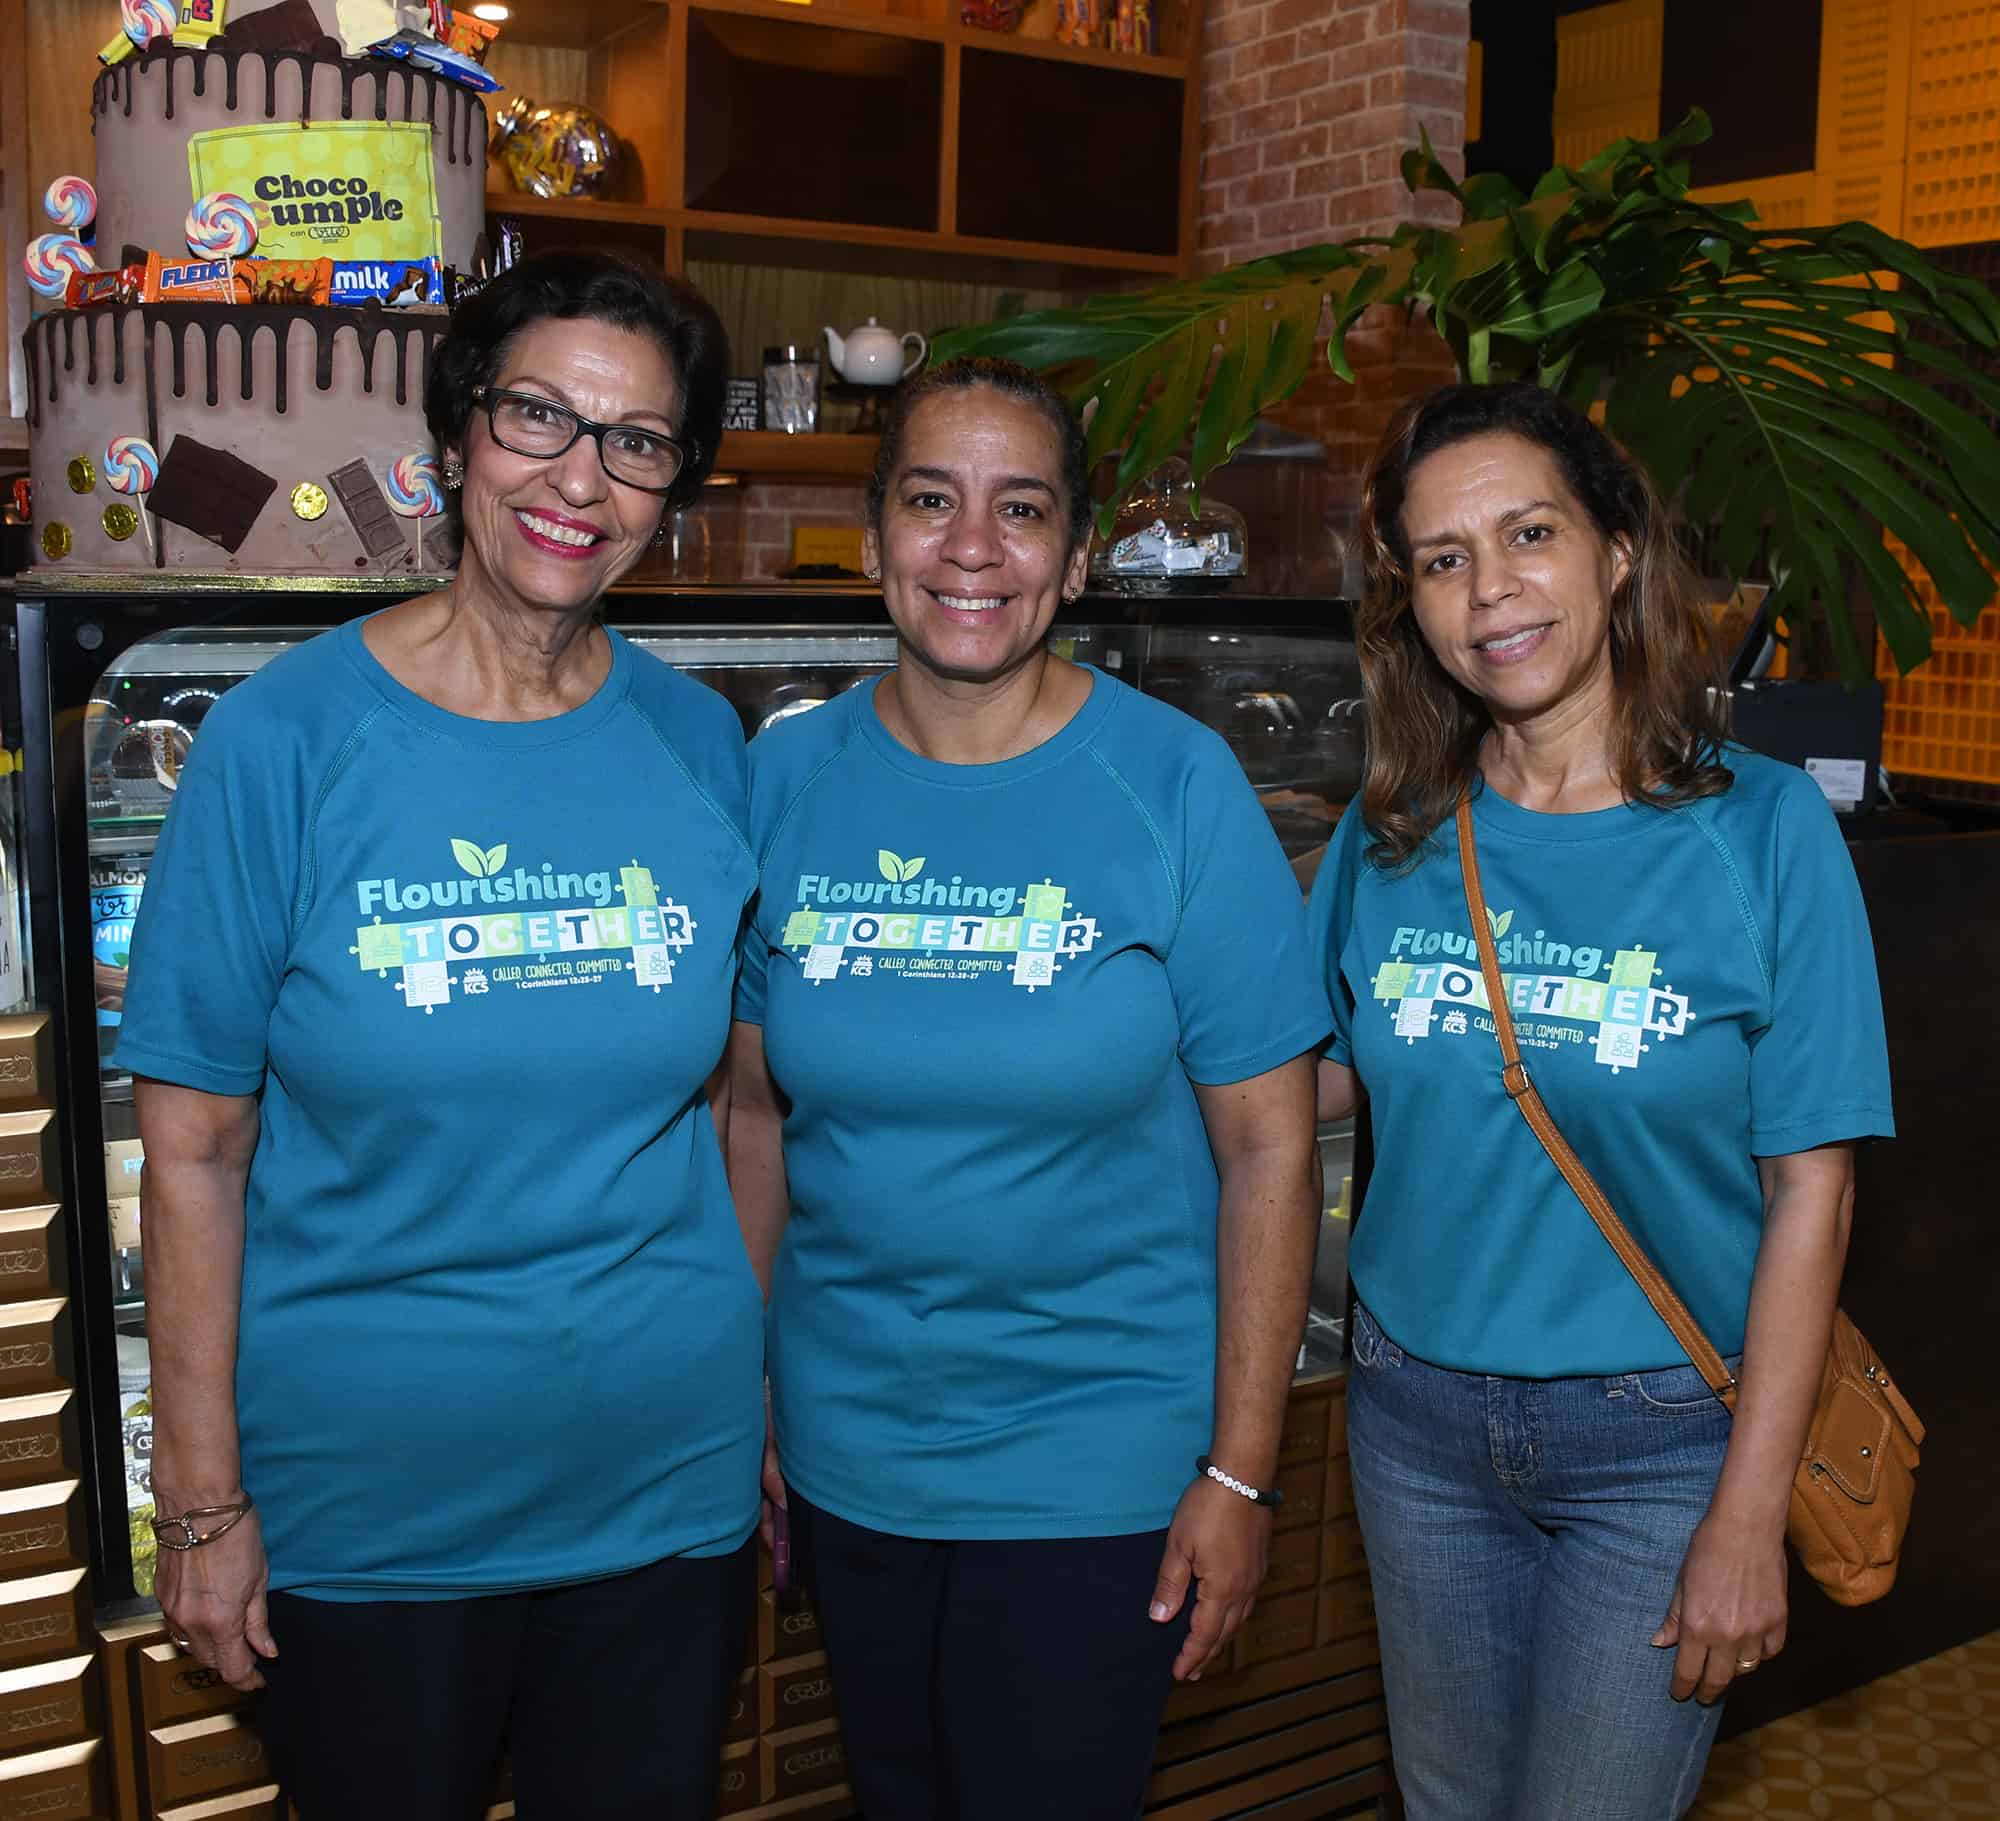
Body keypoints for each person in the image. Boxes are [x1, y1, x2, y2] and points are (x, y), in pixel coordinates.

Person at [117, 251, 764, 1821]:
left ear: (673, 486)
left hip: (663, 1500)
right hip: (370, 1512)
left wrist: (750, 1396)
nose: (580, 477)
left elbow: (747, 1103)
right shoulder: (285, 739)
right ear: (458, 437)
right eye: (539, 416)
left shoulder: (697, 739)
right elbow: (194, 1146)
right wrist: (201, 1507)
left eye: (638, 440)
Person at [726, 356, 1331, 1820]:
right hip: (849, 1449)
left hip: (1097, 1461)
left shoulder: (1173, 784)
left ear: (1072, 554)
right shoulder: (786, 780)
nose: (972, 548)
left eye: (1021, 509)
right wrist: (742, 1393)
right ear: (874, 540)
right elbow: (751, 1113)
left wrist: (1243, 1472)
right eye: (932, 502)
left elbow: (1270, 1151)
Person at [1307, 380, 1895, 1819]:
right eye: (1443, 558)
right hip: (1414, 1424)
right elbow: (1288, 1097)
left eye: (1528, 534)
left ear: (1617, 548)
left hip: (1661, 1443)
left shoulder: (1761, 831)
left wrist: (1747, 1513)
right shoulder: (1390, 833)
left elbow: (1810, 1186)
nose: (1489, 589)